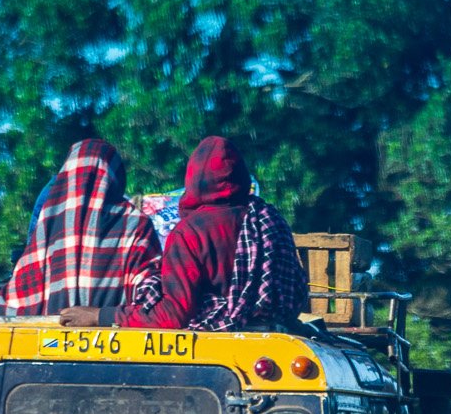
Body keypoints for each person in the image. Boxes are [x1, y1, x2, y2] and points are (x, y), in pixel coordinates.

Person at [59, 135, 308, 331]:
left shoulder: (190, 232)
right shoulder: (270, 219)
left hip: (218, 343)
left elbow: (172, 314)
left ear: (193, 177)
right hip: (278, 336)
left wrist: (99, 315)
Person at [0, 139, 158, 318]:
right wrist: (103, 315)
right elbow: (151, 299)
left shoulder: (48, 221)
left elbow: (14, 302)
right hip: (116, 341)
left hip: (46, 342)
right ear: (115, 177)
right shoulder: (135, 222)